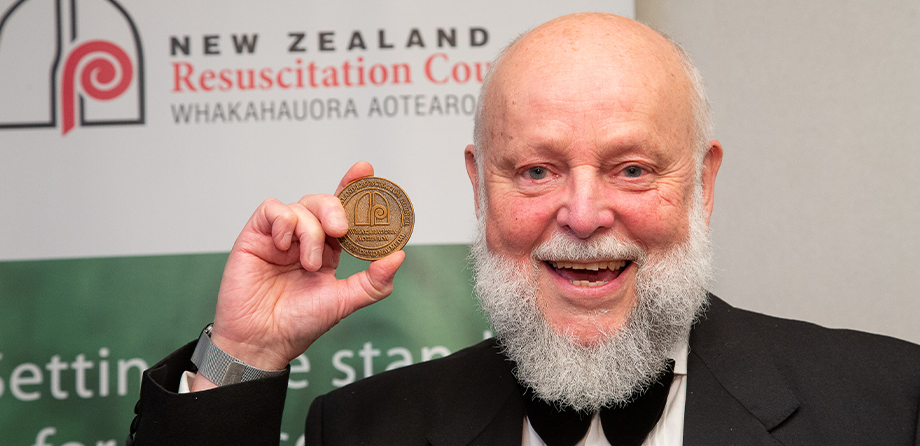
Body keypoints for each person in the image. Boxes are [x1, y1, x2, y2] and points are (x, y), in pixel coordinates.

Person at [127, 13, 920, 446]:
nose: (581, 215)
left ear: (703, 183)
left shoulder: (888, 406)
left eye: (632, 170)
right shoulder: (366, 431)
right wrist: (245, 355)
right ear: (480, 186)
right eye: (535, 171)